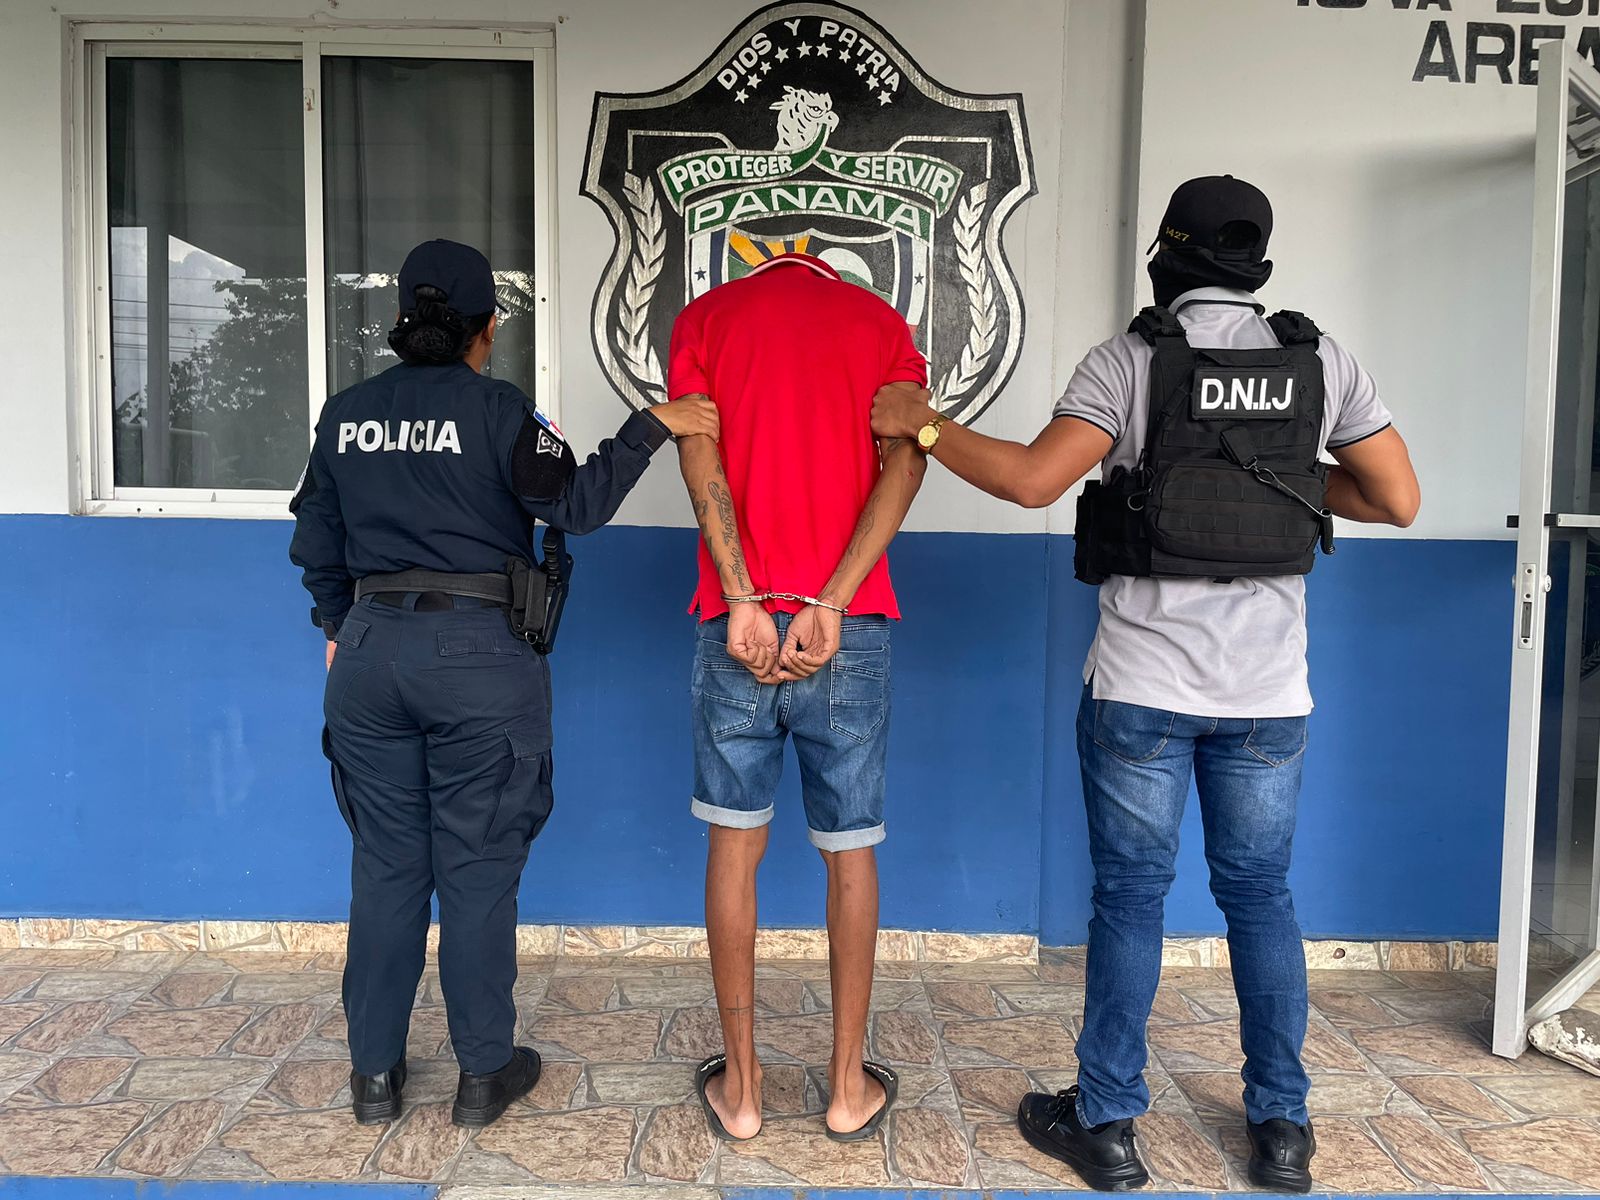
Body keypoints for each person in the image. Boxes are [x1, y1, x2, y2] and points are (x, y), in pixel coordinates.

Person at [871, 177, 1421, 1192]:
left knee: (1130, 898)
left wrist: (925, 424)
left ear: (1166, 257)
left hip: (1142, 687)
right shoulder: (1319, 361)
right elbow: (1397, 499)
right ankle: (1283, 1130)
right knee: (1260, 897)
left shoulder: (1129, 360)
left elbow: (1032, 480)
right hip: (1268, 698)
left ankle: (1109, 1124)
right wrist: (1290, 482)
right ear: (1254, 263)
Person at [289, 239, 718, 1130]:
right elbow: (577, 507)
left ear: (402, 319)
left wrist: (340, 627)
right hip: (477, 659)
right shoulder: (499, 410)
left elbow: (316, 541)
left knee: (386, 867)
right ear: (487, 328)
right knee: (476, 869)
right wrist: (651, 425)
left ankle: (374, 1076)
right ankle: (484, 1072)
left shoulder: (346, 414)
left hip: (368, 653)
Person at [668, 251, 928, 1144]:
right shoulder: (880, 325)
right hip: (844, 625)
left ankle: (742, 1093)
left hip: (735, 621)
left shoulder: (707, 319)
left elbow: (697, 453)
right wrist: (833, 600)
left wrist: (744, 596)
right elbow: (906, 465)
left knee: (733, 846)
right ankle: (847, 1088)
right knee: (850, 850)